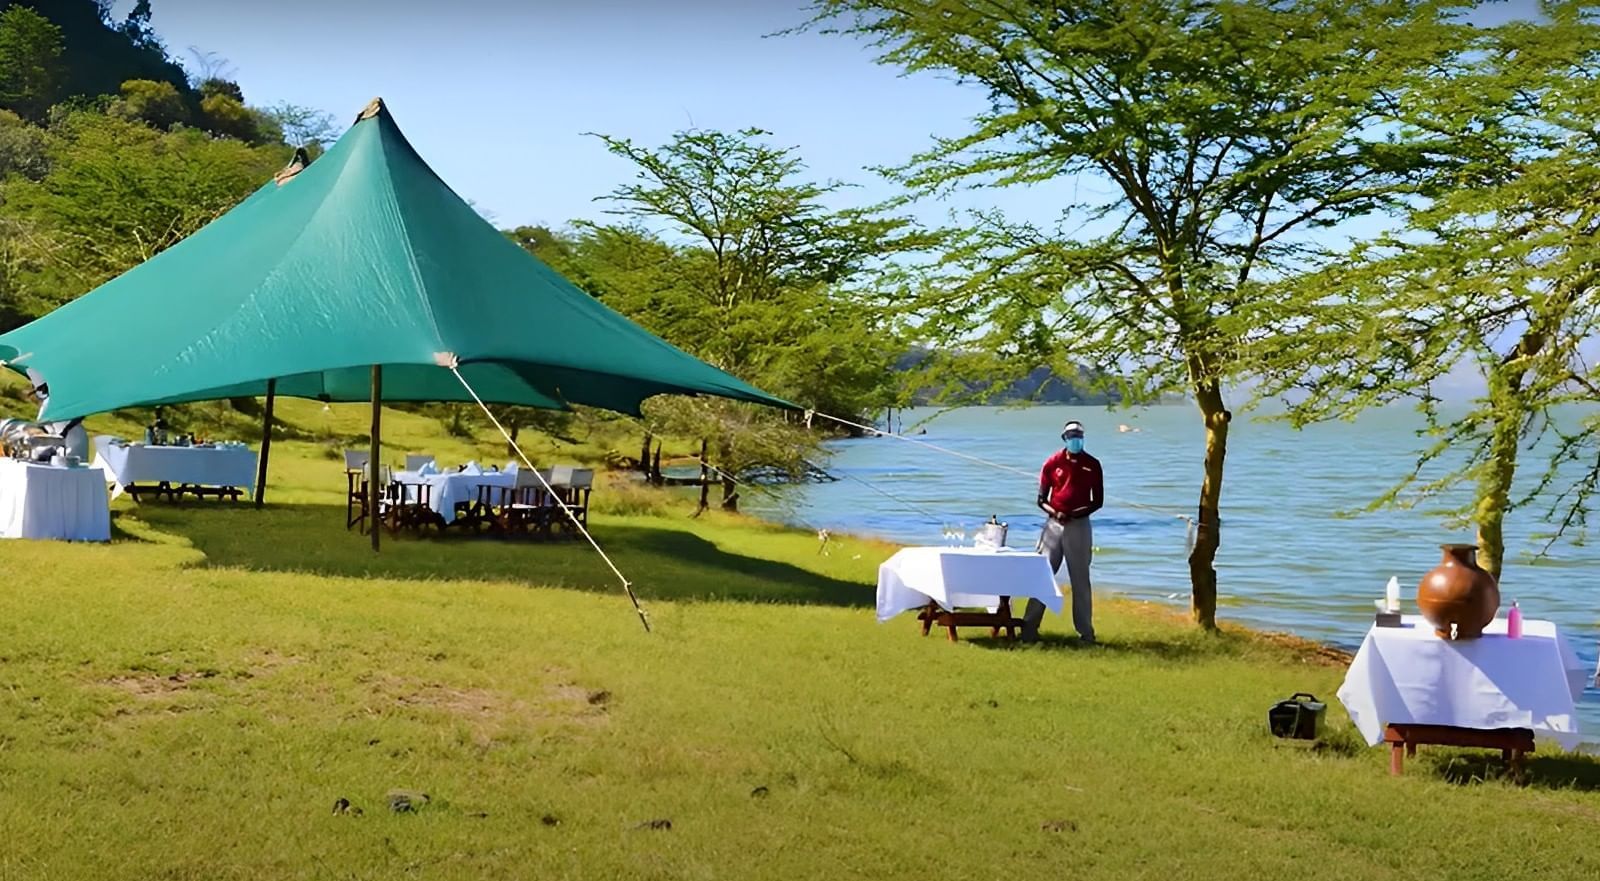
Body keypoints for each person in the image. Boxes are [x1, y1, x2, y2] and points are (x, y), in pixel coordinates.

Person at [1023, 419, 1102, 644]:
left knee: (1081, 580)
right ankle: (1029, 627)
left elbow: (1098, 501)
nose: (1075, 439)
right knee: (1043, 575)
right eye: (1071, 436)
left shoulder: (1092, 464)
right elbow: (1041, 499)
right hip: (1054, 525)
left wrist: (1077, 513)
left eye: (1078, 435)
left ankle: (1086, 633)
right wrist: (1055, 513)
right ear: (1064, 439)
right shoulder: (1052, 463)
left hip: (1079, 525)